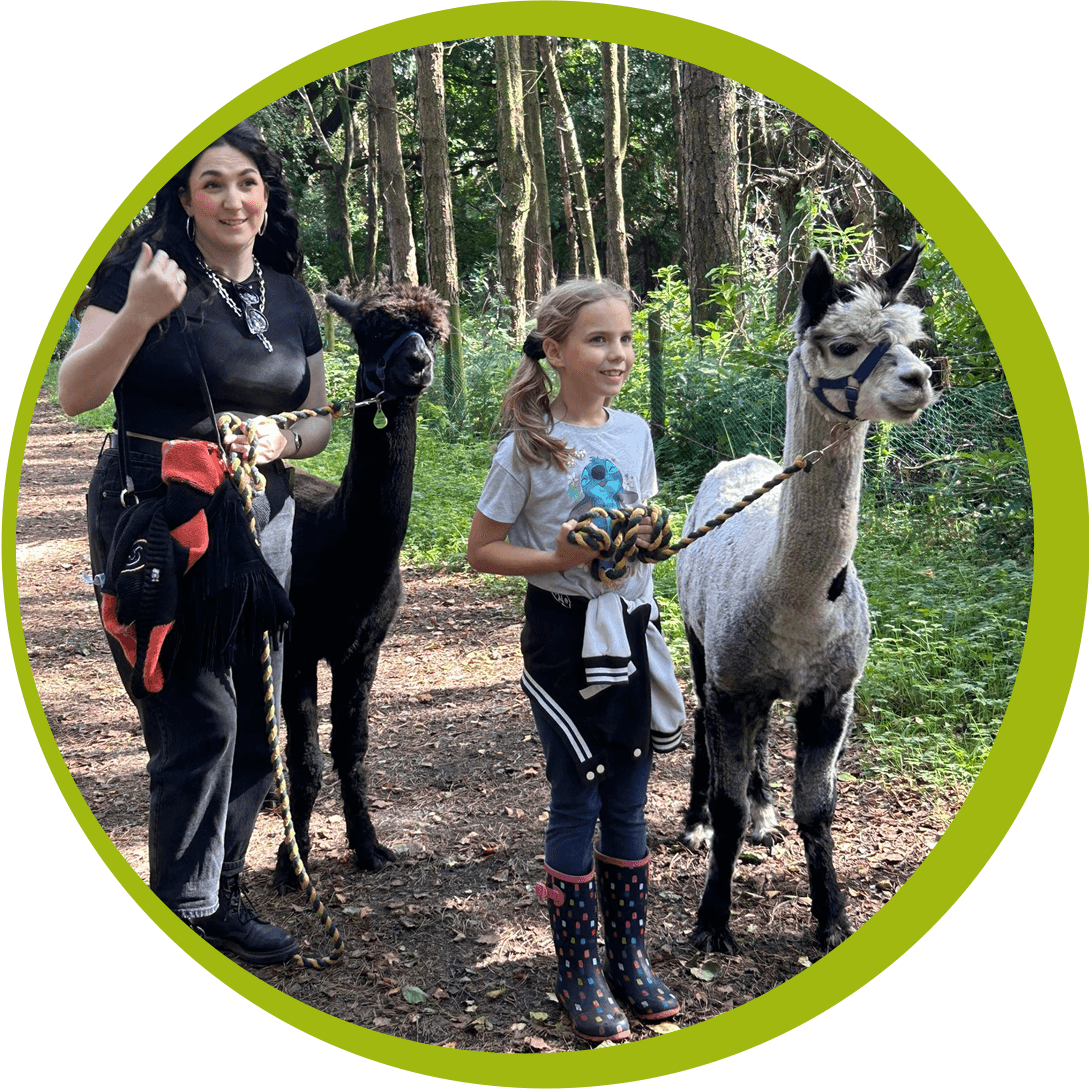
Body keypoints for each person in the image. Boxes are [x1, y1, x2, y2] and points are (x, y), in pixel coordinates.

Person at [59, 120, 331, 964]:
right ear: (185, 197)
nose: (231, 198)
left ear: (265, 193)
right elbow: (75, 392)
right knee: (195, 715)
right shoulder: (142, 273)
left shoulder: (290, 295)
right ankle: (181, 909)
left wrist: (281, 440)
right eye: (211, 183)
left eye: (245, 181)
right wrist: (140, 315)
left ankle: (217, 894)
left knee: (253, 716)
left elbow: (319, 417)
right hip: (157, 519)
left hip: (260, 523)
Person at [466, 279, 686, 1043]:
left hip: (629, 630)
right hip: (561, 641)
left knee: (630, 794)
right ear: (554, 351)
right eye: (598, 340)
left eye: (623, 338)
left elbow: (642, 523)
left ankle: (627, 955)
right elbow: (481, 550)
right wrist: (557, 555)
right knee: (578, 795)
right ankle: (578, 971)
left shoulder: (634, 432)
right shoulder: (525, 446)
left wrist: (650, 540)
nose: (617, 353)